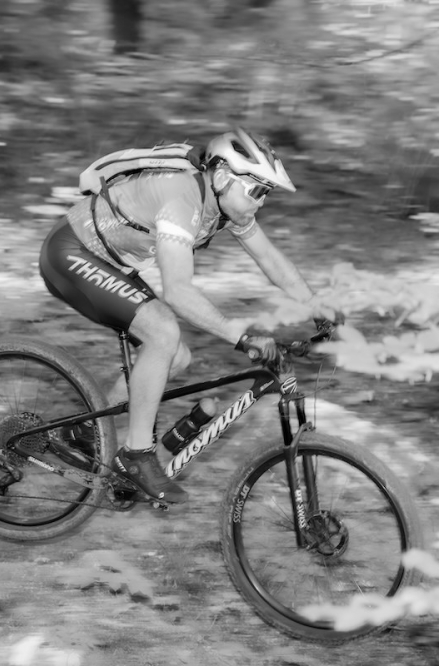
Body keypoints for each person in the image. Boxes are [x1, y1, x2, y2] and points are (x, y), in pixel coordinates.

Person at [39, 127, 332, 505]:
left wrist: (316, 306)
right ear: (224, 177)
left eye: (266, 194)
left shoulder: (223, 204)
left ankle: (85, 428)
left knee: (175, 356)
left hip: (110, 263)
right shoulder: (182, 198)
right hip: (71, 253)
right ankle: (135, 455)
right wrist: (241, 338)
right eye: (257, 191)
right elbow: (177, 291)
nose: (260, 202)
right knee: (163, 331)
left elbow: (269, 258)